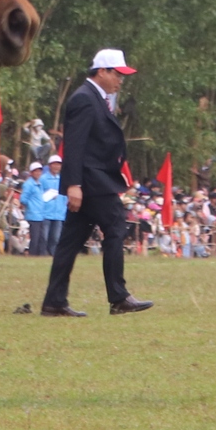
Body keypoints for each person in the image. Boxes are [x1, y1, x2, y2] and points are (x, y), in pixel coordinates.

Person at [41, 49, 153, 317]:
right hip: (92, 182)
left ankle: (54, 302)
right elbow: (75, 146)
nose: (121, 80)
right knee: (115, 226)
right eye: (118, 74)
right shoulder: (84, 99)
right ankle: (119, 297)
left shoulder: (96, 99)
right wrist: (73, 185)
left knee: (70, 242)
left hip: (92, 181)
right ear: (101, 71)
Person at [20, 160, 65, 255]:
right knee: (36, 238)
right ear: (31, 172)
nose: (38, 173)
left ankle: (41, 255)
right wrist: (32, 206)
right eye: (35, 171)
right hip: (34, 214)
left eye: (39, 171)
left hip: (40, 214)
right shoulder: (29, 184)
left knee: (41, 238)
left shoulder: (38, 183)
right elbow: (23, 199)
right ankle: (33, 255)